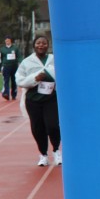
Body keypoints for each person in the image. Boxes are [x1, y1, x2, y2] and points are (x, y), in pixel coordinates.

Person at [15, 35, 61, 166]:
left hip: (51, 99)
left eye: (44, 43)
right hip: (33, 100)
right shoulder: (26, 62)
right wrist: (35, 78)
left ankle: (56, 151)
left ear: (48, 46)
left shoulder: (55, 59)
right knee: (37, 128)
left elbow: (63, 74)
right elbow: (19, 80)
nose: (41, 45)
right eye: (38, 43)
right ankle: (43, 154)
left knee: (53, 125)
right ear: (34, 45)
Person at [0, 35, 20, 101]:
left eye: (8, 40)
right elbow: (0, 59)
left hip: (14, 66)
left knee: (14, 80)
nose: (7, 41)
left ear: (10, 41)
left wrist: (20, 64)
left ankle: (14, 94)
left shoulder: (15, 48)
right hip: (6, 66)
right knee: (6, 80)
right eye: (6, 40)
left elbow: (19, 56)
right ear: (5, 41)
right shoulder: (2, 49)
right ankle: (6, 93)